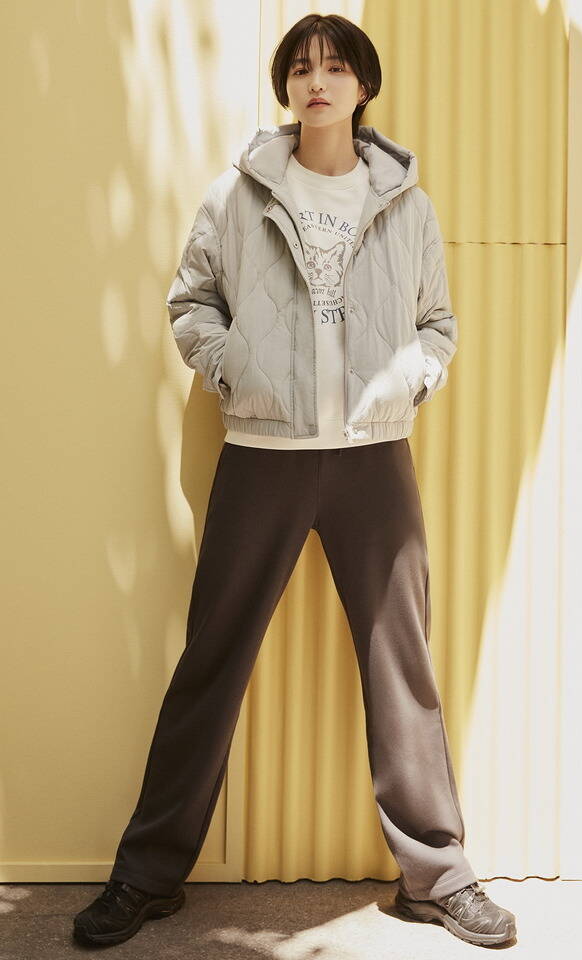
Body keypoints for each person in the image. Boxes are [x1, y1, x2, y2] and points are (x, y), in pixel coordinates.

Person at [73, 13, 517, 950]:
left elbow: (438, 324)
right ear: (286, 87)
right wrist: (235, 369)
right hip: (262, 456)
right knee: (211, 660)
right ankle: (146, 876)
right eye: (302, 67)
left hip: (373, 461)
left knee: (403, 668)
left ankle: (437, 877)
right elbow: (191, 302)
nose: (319, 80)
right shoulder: (236, 195)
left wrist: (408, 379)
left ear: (363, 86)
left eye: (337, 66)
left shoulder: (405, 204)